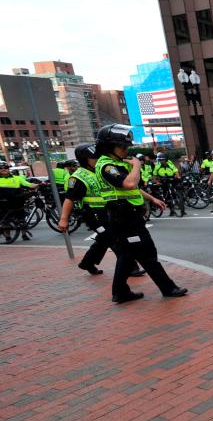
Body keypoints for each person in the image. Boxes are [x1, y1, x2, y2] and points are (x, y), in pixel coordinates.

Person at [94, 124, 187, 303]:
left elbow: (132, 188)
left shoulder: (117, 164)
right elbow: (129, 184)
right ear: (109, 147)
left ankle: (120, 292)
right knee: (146, 252)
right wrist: (136, 165)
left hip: (128, 215)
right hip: (124, 217)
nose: (125, 150)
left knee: (128, 254)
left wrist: (152, 199)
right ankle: (168, 288)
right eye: (122, 147)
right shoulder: (107, 167)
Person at [58, 143, 144, 277]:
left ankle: (87, 262)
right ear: (85, 159)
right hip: (93, 215)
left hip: (108, 211)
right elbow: (69, 199)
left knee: (104, 239)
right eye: (94, 157)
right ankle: (130, 267)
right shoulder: (78, 177)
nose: (98, 159)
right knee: (113, 239)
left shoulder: (100, 170)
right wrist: (63, 219)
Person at [0, 161, 39, 242]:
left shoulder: (17, 178)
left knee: (22, 220)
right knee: (5, 221)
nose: (4, 169)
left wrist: (39, 184)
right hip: (3, 204)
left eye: (6, 168)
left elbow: (28, 184)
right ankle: (8, 237)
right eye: (1, 168)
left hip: (17, 203)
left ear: (8, 169)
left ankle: (24, 235)